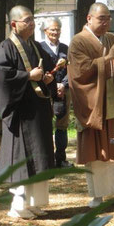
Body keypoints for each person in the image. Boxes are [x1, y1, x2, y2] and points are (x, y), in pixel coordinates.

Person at [68, 2, 114, 208]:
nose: (106, 22)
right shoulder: (78, 41)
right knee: (95, 150)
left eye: (108, 18)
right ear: (89, 18)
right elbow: (80, 72)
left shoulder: (111, 38)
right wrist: (109, 57)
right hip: (93, 101)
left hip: (112, 99)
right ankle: (97, 195)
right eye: (101, 18)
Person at [0, 5, 56, 219]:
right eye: (27, 21)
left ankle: (34, 203)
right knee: (22, 158)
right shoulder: (6, 48)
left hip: (38, 110)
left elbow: (44, 71)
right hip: (20, 112)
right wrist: (28, 76)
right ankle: (18, 206)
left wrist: (47, 78)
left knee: (39, 157)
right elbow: (3, 77)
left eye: (32, 20)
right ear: (14, 24)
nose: (31, 24)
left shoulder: (36, 46)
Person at [40, 17, 73, 168]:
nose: (55, 32)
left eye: (58, 29)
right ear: (45, 31)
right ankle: (46, 160)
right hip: (45, 92)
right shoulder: (39, 48)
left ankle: (60, 158)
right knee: (45, 124)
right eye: (52, 29)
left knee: (62, 124)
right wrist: (53, 84)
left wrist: (63, 84)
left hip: (63, 91)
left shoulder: (66, 48)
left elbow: (72, 69)